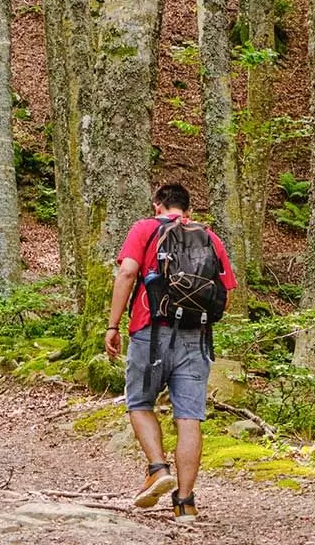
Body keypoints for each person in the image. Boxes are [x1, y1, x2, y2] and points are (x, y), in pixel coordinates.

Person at [105, 183, 236, 524]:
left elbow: (128, 272)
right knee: (189, 418)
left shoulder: (145, 228)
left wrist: (113, 325)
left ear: (157, 204)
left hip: (150, 331)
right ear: (187, 211)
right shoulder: (210, 238)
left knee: (139, 403)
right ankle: (186, 503)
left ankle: (157, 467)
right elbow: (226, 294)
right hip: (196, 337)